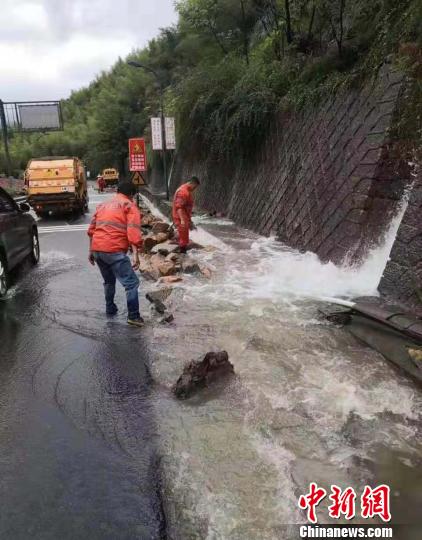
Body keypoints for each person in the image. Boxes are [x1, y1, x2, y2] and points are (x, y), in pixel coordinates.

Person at [87, 181, 144, 327]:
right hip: (114, 250)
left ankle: (110, 309)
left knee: (109, 281)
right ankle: (134, 317)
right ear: (131, 194)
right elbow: (133, 232)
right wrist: (136, 255)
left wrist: (91, 251)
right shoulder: (129, 206)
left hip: (98, 250)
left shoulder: (103, 204)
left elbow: (92, 229)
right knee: (131, 283)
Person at [172, 176, 200, 253]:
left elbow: (185, 207)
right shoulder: (183, 192)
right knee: (183, 239)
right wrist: (182, 220)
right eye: (195, 187)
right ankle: (183, 256)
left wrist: (189, 220)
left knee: (184, 237)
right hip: (181, 218)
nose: (195, 189)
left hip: (184, 217)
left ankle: (183, 253)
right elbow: (179, 207)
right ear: (192, 183)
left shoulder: (186, 190)